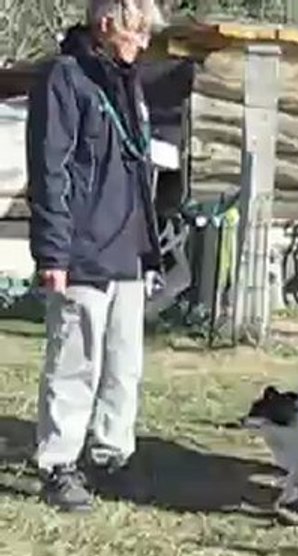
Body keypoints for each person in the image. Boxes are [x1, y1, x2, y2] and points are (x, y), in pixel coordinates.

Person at [27, 0, 166, 512]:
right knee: (74, 360)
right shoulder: (63, 78)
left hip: (127, 248)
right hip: (82, 249)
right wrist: (53, 253)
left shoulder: (127, 80)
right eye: (138, 29)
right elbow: (51, 170)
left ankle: (111, 455)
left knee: (123, 365)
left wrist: (149, 251)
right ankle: (59, 464)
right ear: (106, 23)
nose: (145, 41)